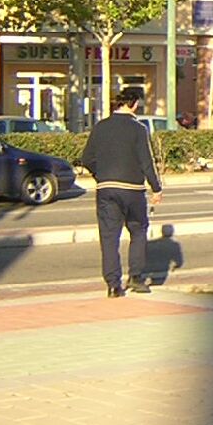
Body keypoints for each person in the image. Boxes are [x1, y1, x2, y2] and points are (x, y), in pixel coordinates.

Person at [79, 86, 163, 297]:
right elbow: (146, 161)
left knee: (109, 237)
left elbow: (86, 158)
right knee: (138, 230)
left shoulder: (100, 126)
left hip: (106, 188)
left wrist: (100, 175)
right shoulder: (138, 129)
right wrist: (156, 188)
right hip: (132, 189)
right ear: (134, 104)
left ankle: (113, 285)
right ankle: (136, 277)